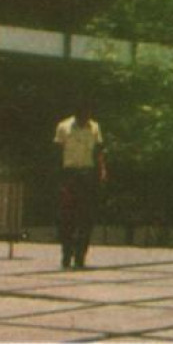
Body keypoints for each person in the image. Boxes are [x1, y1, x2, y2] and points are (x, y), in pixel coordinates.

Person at [53, 102, 106, 270]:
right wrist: (58, 178)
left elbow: (98, 151)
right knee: (67, 216)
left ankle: (80, 254)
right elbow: (57, 152)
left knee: (86, 217)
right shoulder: (64, 127)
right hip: (69, 174)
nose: (85, 116)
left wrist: (102, 170)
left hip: (88, 174)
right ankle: (66, 252)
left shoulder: (95, 127)